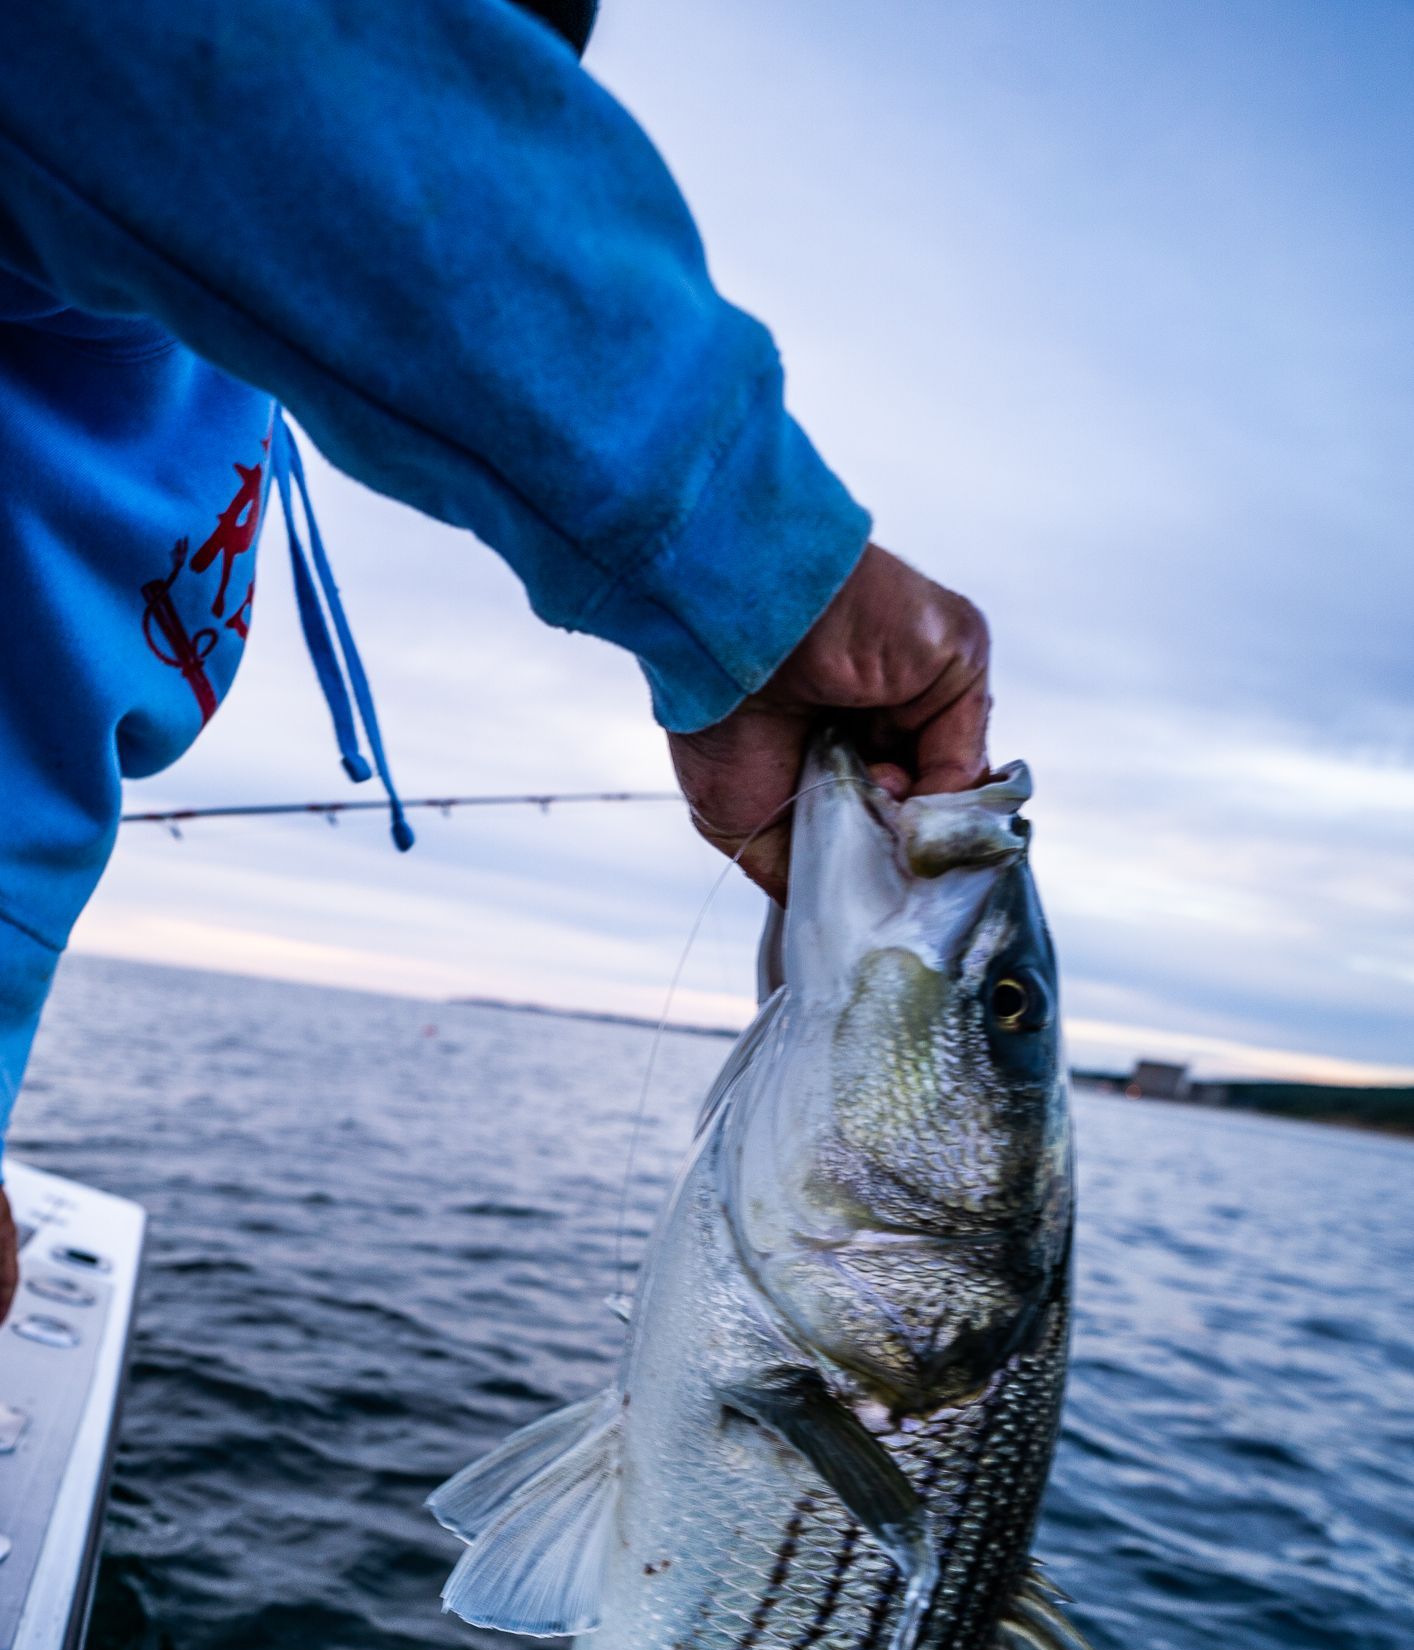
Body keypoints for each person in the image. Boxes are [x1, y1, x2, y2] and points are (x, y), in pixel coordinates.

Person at [0, 0, 990, 1318]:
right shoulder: (112, 206)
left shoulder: (155, 340)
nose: (442, 85)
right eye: (434, 46)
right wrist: (753, 562)